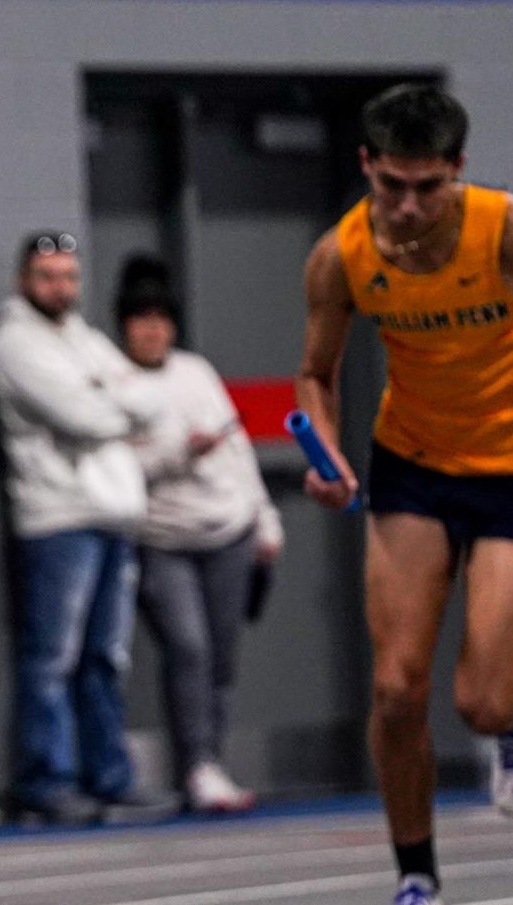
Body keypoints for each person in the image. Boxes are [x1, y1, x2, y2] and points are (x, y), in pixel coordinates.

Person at [294, 83, 513, 905]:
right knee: (396, 689)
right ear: (367, 165)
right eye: (391, 183)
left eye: (427, 187)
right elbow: (317, 373)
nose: (407, 206)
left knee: (482, 702)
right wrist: (325, 451)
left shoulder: (510, 232)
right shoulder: (342, 255)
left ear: (458, 173)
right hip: (413, 468)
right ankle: (416, 880)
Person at [0, 230, 172, 827]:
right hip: (58, 521)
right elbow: (85, 415)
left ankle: (110, 779)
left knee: (103, 660)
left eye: (68, 276)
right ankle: (47, 782)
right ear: (24, 280)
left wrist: (109, 399)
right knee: (52, 660)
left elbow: (149, 395)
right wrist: (108, 400)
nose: (60, 287)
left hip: (112, 515)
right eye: (48, 276)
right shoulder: (15, 342)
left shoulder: (83, 337)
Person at [115, 255, 283, 815]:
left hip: (229, 532)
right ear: (124, 326)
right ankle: (195, 766)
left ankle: (212, 760)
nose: (152, 329)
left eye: (161, 318)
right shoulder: (116, 385)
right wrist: (180, 451)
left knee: (221, 656)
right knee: (188, 649)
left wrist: (265, 519)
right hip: (164, 540)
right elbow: (121, 471)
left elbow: (238, 452)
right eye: (141, 319)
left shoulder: (196, 372)